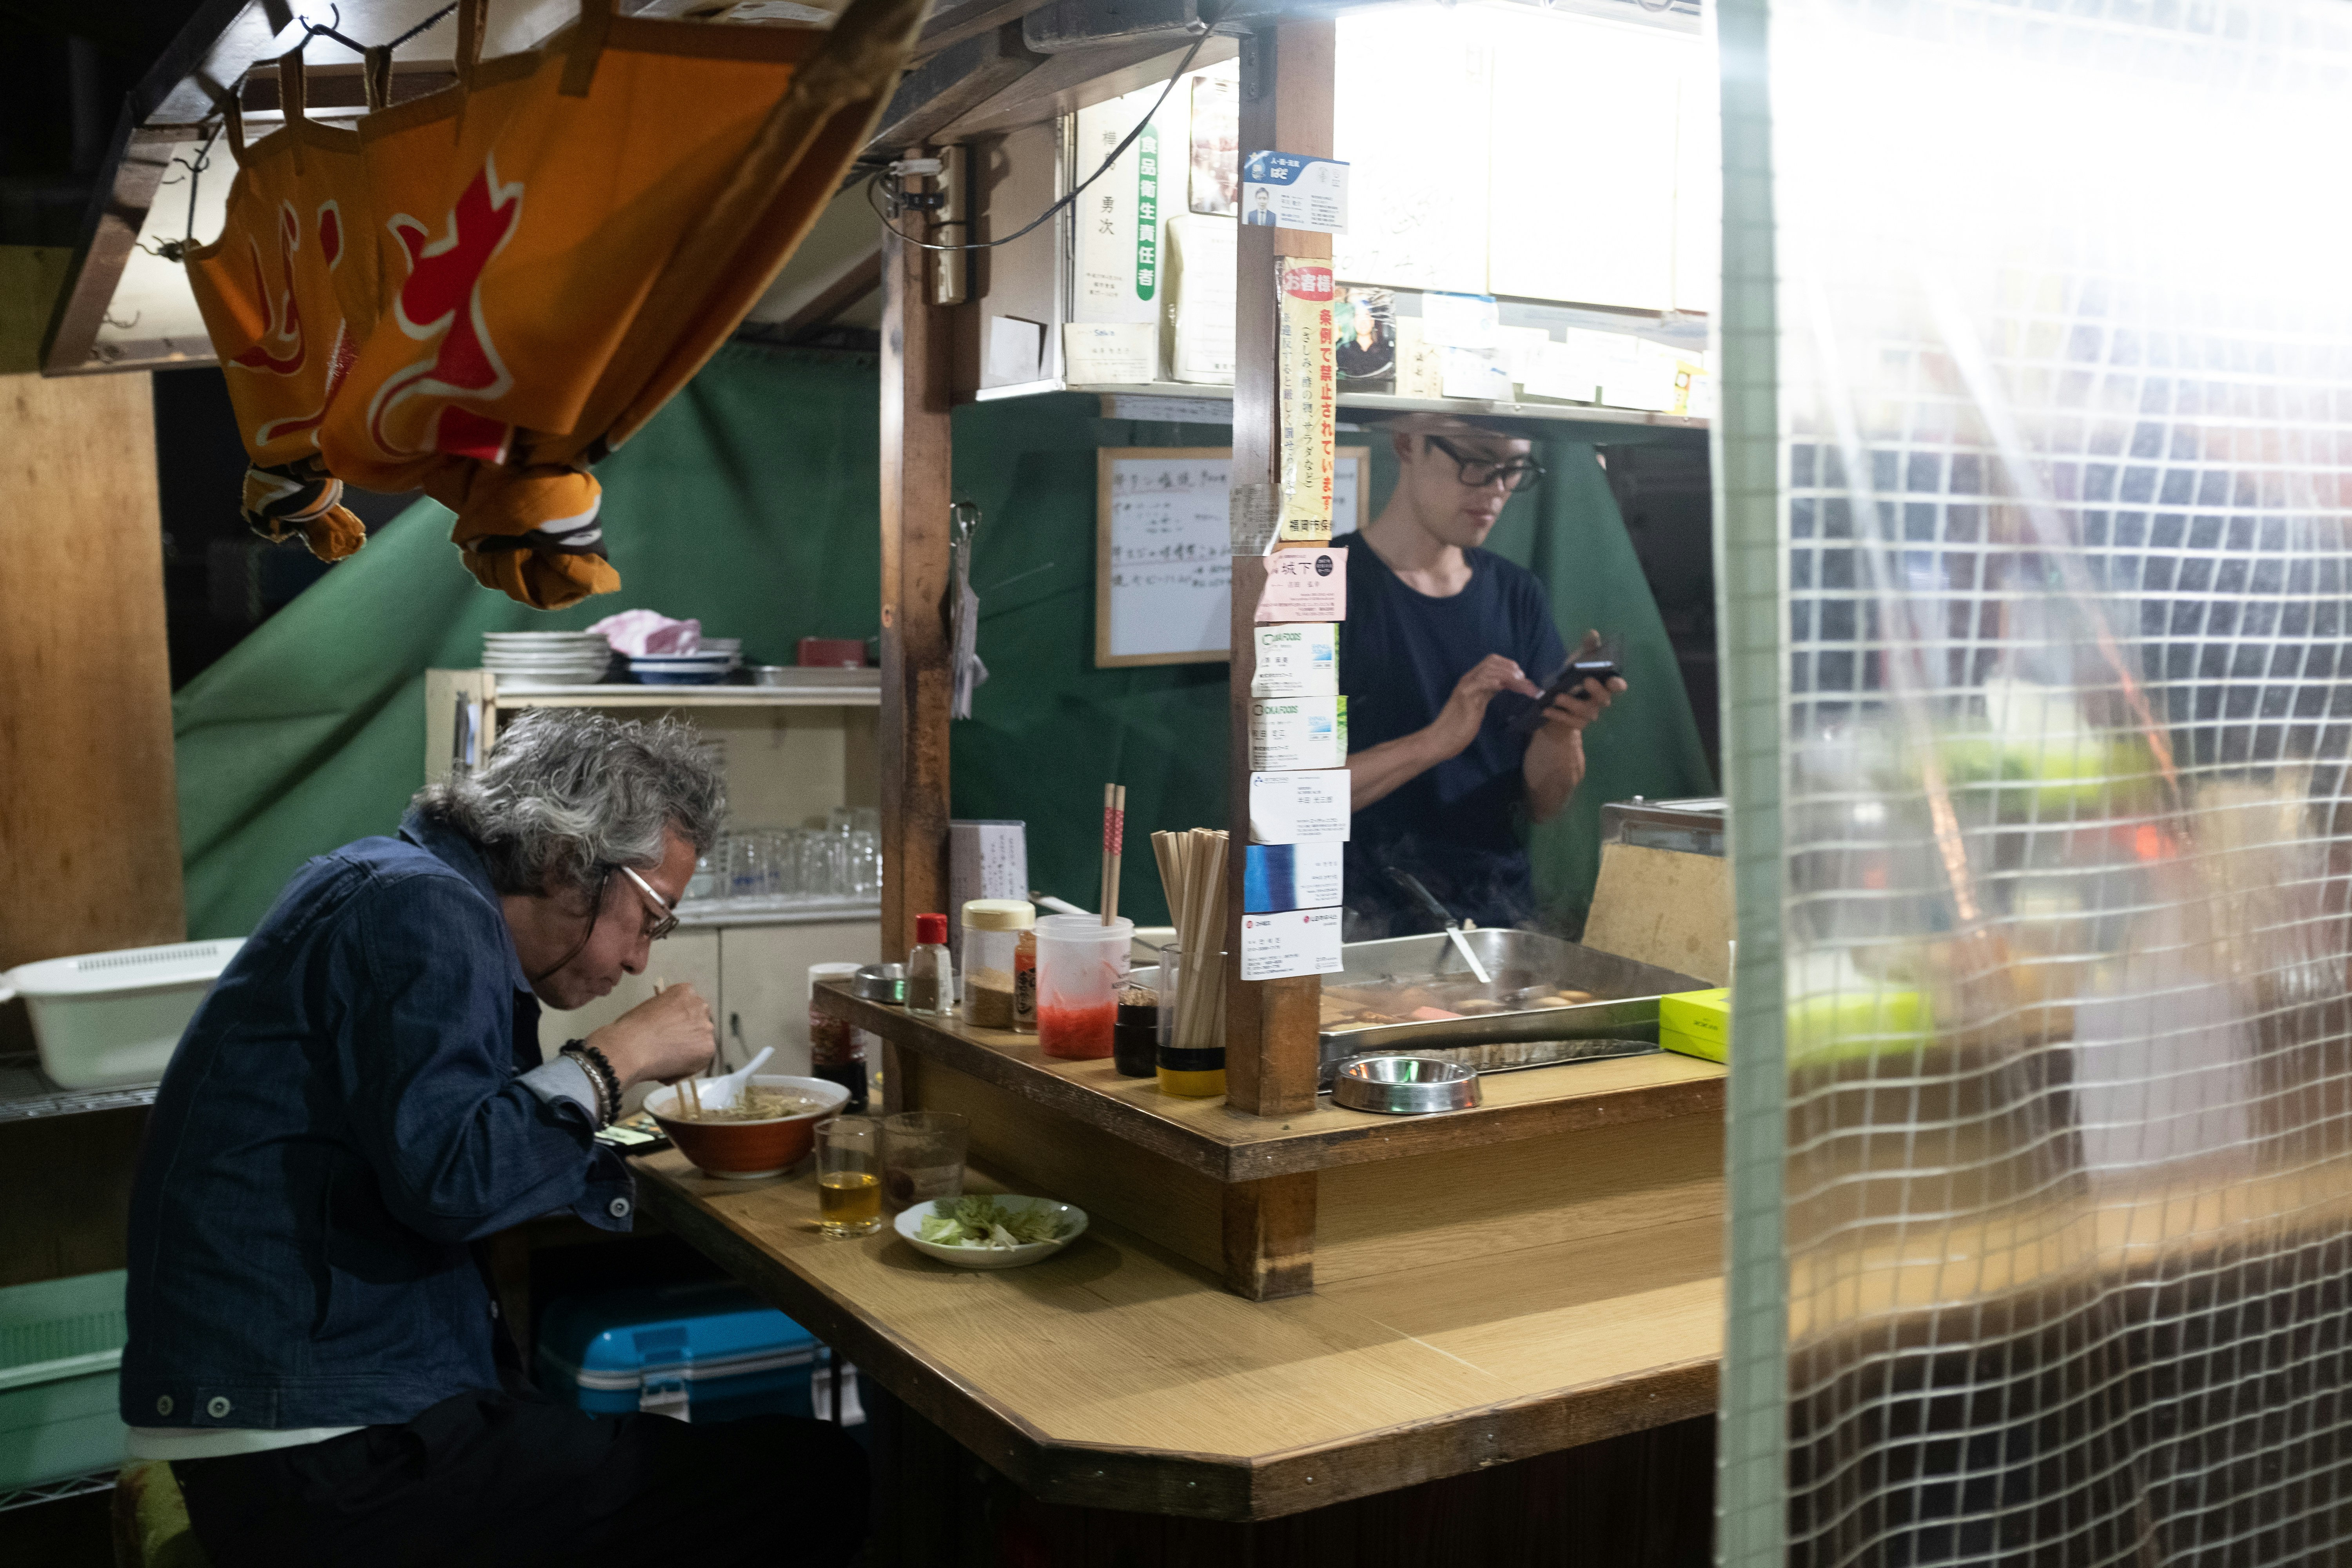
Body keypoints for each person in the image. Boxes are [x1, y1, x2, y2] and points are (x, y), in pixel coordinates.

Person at [119, 709, 867, 1568]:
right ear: (562, 861)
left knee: (655, 1453)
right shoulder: (422, 907)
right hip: (321, 1451)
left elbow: (450, 1139)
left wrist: (602, 1137)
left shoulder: (396, 884)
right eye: (651, 917)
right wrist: (619, 1053)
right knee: (814, 1474)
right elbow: (453, 1178)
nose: (636, 960)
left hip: (308, 1411)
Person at [1337, 416, 1626, 936]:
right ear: (1407, 443)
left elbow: (1546, 803)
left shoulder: (1517, 594)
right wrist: (1436, 741)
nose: (1495, 491)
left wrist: (1562, 728)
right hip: (1358, 919)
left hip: (1495, 920)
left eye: (1513, 470)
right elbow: (1284, 796)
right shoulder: (1322, 584)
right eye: (1476, 463)